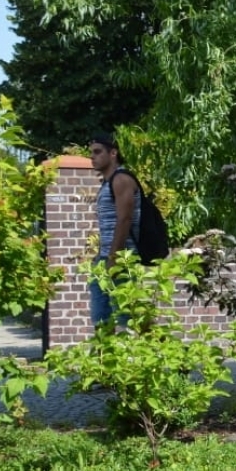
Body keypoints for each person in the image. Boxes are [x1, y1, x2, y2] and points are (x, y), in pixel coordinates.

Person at [88, 133, 141, 327]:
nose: (92, 157)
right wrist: (101, 256)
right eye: (91, 153)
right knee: (102, 316)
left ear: (113, 153)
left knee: (131, 315)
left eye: (97, 152)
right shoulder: (106, 184)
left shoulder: (121, 179)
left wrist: (114, 259)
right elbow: (107, 226)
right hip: (105, 258)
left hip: (122, 259)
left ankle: (163, 353)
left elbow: (124, 219)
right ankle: (106, 357)